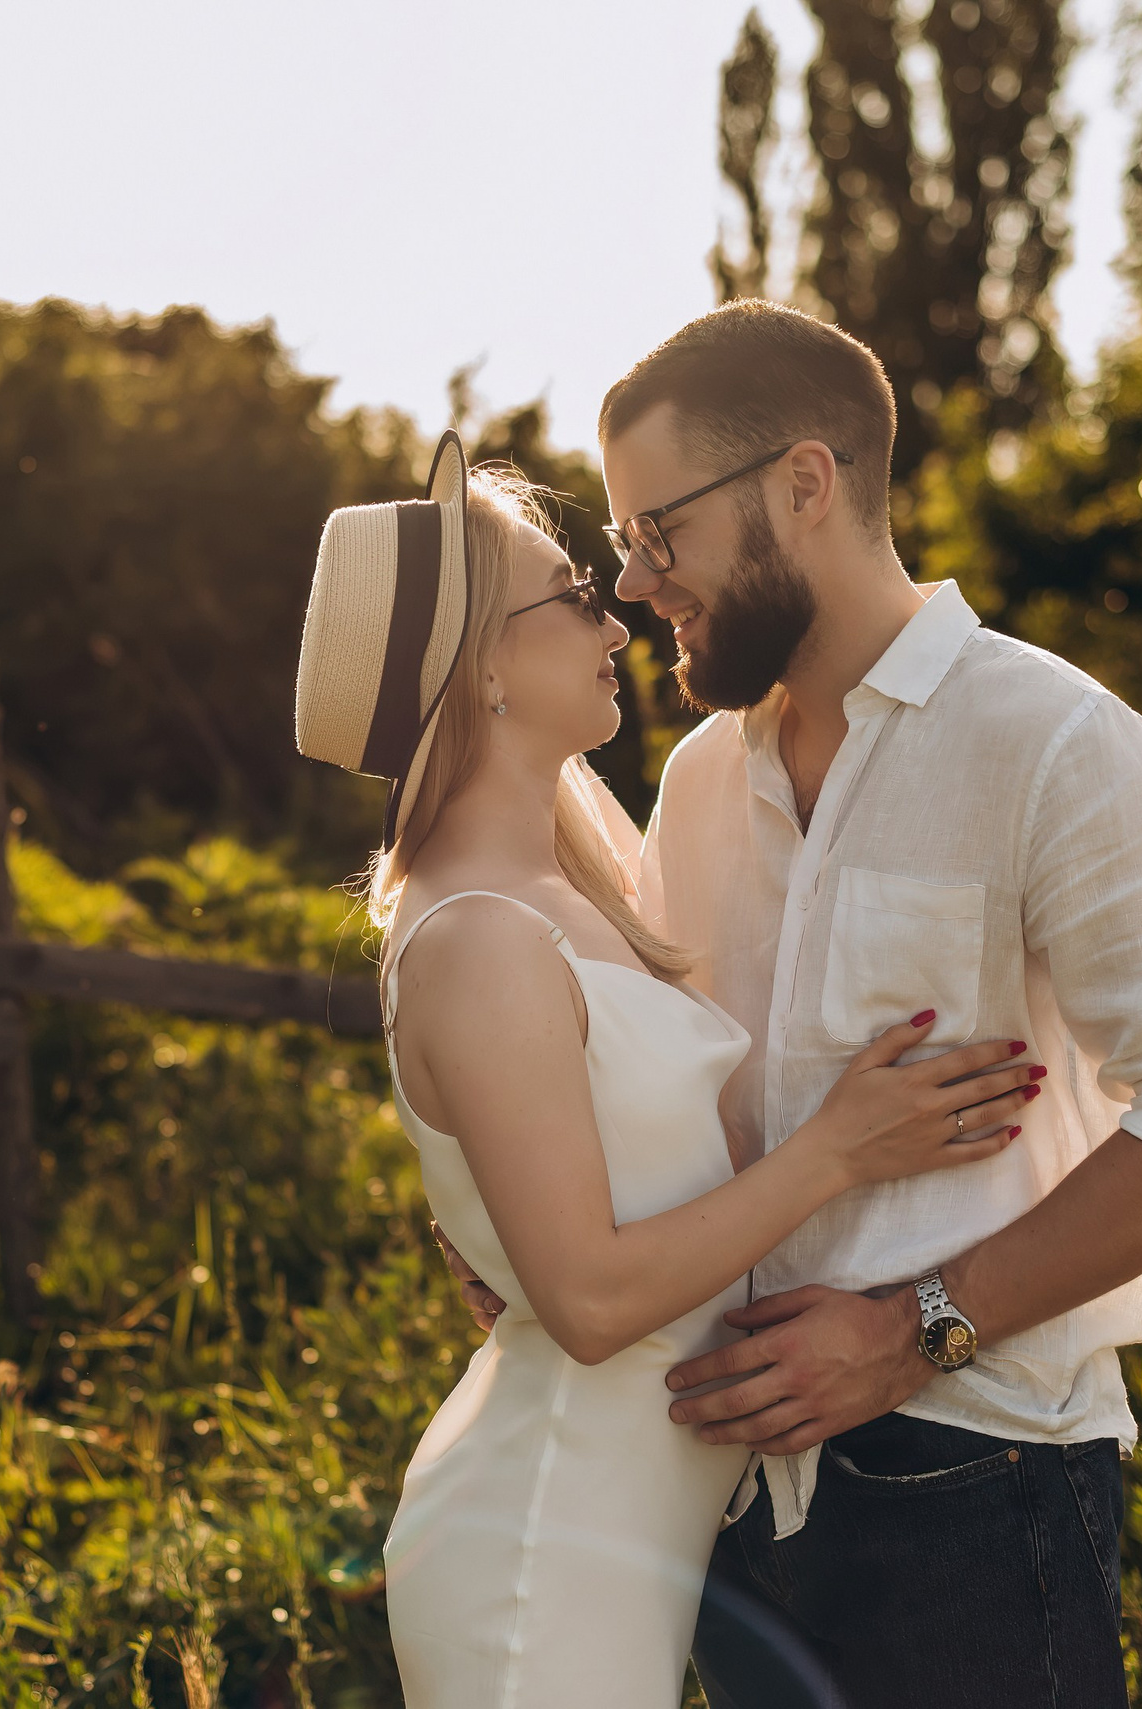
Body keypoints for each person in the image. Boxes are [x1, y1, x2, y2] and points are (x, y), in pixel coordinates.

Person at [440, 299, 1142, 1708]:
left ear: (804, 482)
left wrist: (918, 1329)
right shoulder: (703, 783)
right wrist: (530, 1237)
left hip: (974, 1495)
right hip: (722, 1490)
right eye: (623, 544)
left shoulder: (1057, 746)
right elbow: (688, 1095)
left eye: (661, 532)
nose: (639, 582)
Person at [293, 431, 1045, 1708]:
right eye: (573, 593)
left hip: (626, 1530)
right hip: (543, 1550)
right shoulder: (478, 931)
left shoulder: (561, 887)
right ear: (479, 665)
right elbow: (587, 1304)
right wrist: (839, 1148)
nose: (617, 621)